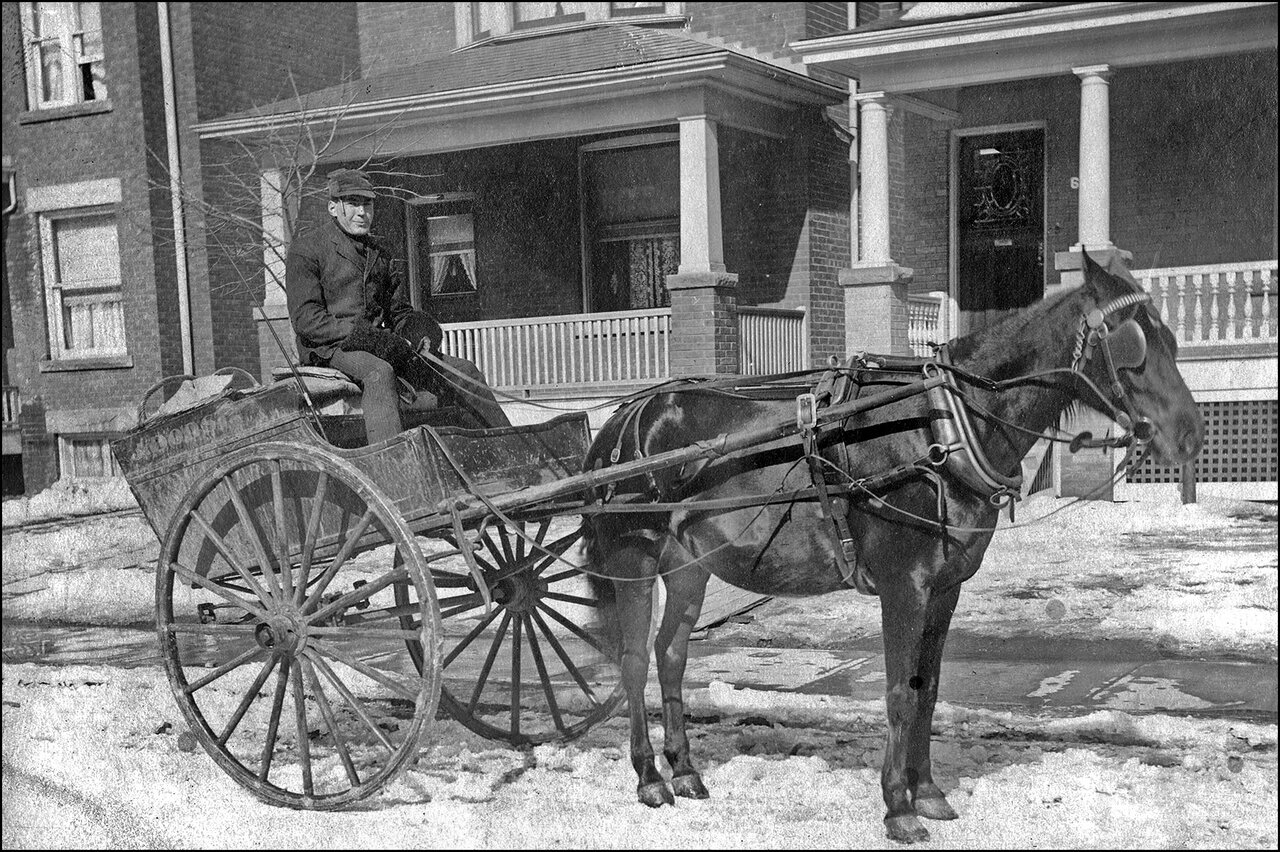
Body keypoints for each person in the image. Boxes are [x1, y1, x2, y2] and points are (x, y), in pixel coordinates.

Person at [285, 167, 510, 443]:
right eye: (352, 203)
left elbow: (399, 312)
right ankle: (392, 467)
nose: (362, 212)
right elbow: (307, 320)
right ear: (333, 207)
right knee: (380, 372)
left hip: (377, 345)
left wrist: (417, 333)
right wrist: (368, 339)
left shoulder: (381, 253)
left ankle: (506, 448)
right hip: (329, 348)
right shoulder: (307, 250)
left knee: (463, 371)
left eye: (367, 203)